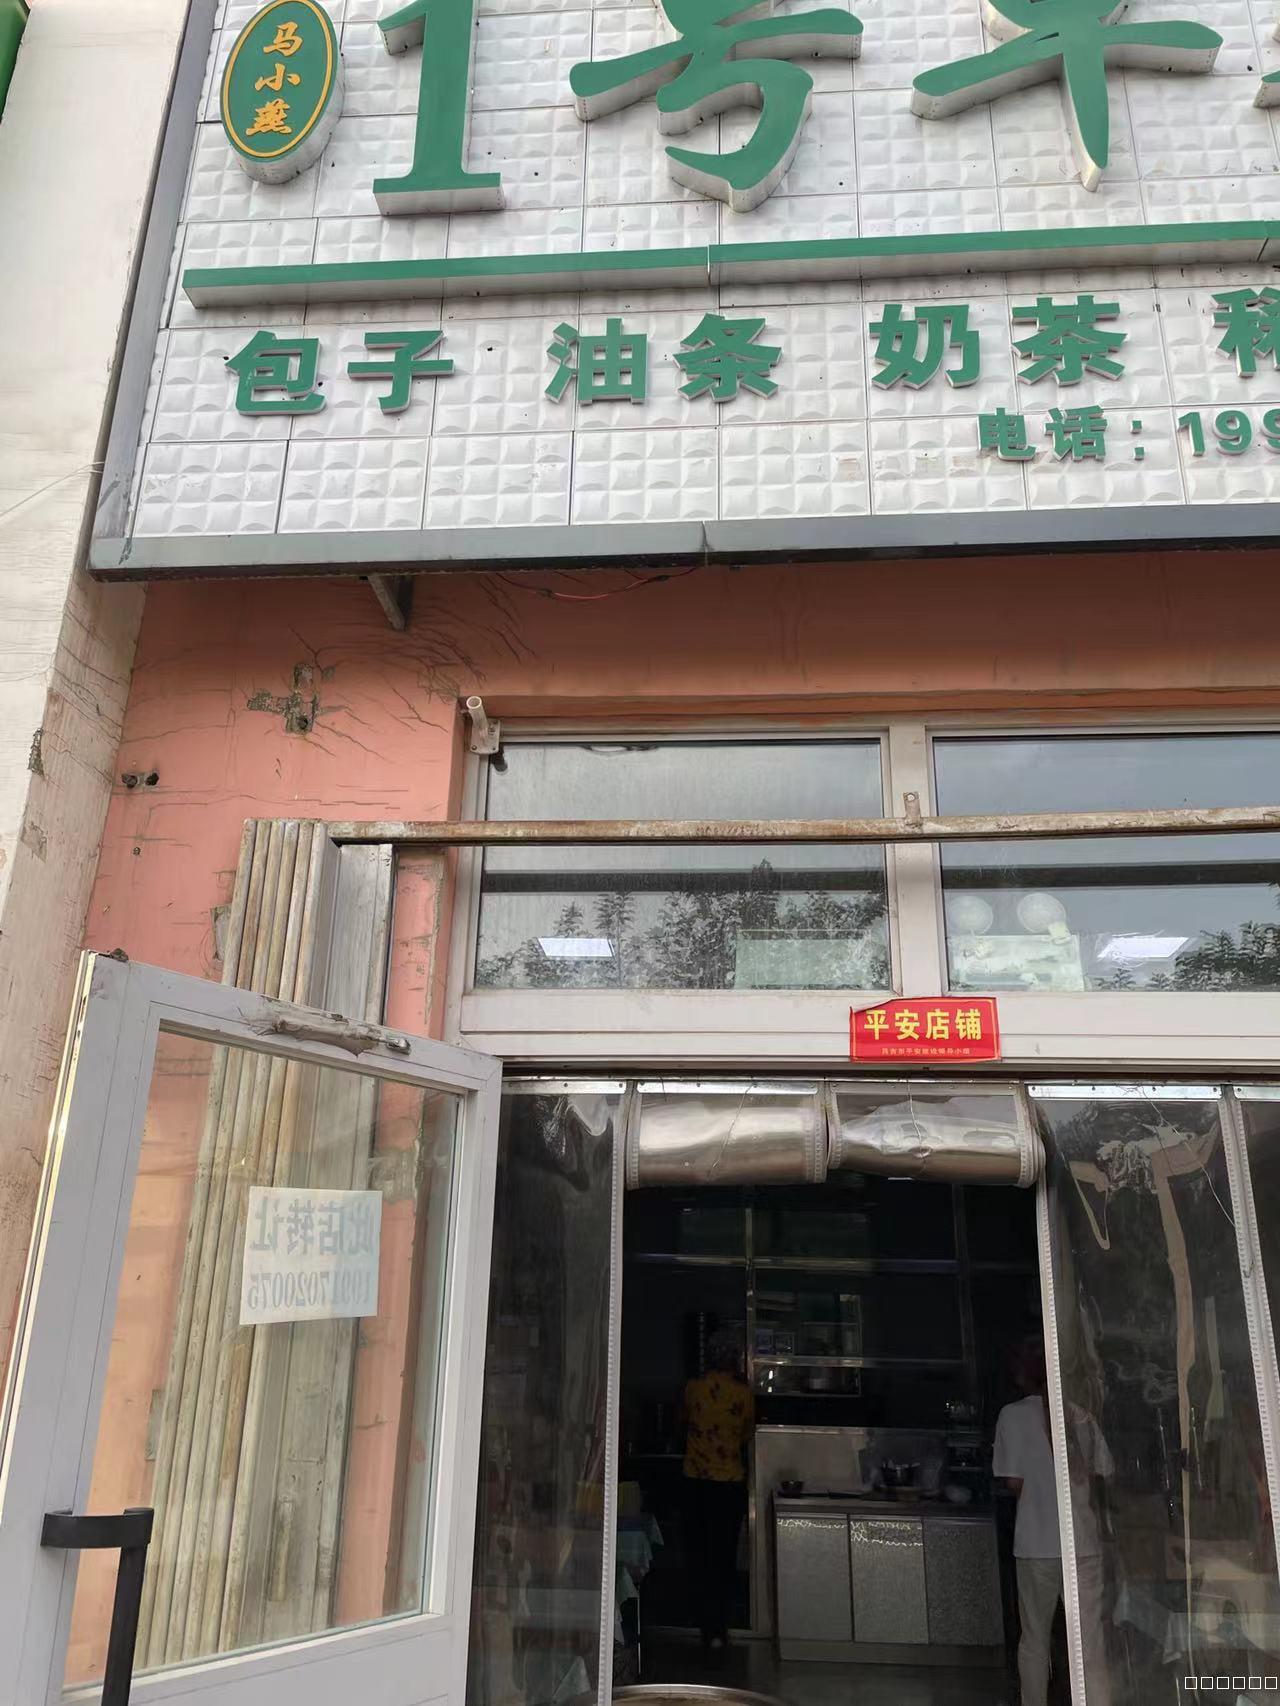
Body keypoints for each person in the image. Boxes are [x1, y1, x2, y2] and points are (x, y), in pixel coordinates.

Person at [993, 1336, 1112, 1706]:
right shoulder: (1081, 1414)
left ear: (1022, 1373)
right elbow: (1102, 1473)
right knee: (1090, 1644)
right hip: (1083, 1544)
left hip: (1036, 1544)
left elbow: (1013, 1482)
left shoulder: (1012, 1415)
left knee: (1034, 1641)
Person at [681, 1329, 754, 1648]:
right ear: (733, 1358)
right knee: (724, 1555)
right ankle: (718, 1628)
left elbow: (683, 1422)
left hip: (696, 1482)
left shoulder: (693, 1389)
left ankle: (700, 1621)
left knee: (699, 1553)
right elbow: (747, 1433)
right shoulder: (743, 1394)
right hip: (728, 1484)